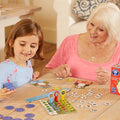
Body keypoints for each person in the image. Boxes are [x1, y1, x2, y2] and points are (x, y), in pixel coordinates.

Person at [42, 2, 120, 85]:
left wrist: (112, 79)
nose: (93, 31)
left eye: (100, 29)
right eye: (92, 24)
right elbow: (45, 72)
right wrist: (55, 71)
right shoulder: (70, 41)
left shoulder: (118, 50)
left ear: (111, 32)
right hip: (69, 95)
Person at [0, 18, 44, 99]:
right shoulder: (3, 68)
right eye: (22, 44)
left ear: (38, 46)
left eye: (32, 46)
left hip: (24, 102)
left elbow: (22, 81)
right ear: (12, 43)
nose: (27, 50)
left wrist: (31, 78)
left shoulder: (28, 62)